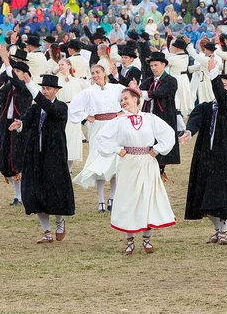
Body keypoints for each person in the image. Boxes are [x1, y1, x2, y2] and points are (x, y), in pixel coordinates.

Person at [97, 88, 176, 255]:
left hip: (147, 162)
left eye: (126, 98)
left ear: (136, 99)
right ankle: (130, 241)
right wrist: (117, 149)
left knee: (146, 198)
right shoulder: (119, 121)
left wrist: (157, 149)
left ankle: (147, 239)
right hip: (128, 163)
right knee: (128, 200)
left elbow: (168, 133)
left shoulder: (149, 118)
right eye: (121, 100)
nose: (123, 102)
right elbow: (101, 137)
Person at [7, 71, 74, 244]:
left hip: (54, 155)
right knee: (35, 192)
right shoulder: (36, 108)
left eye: (48, 89)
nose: (45, 91)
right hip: (35, 155)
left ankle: (59, 222)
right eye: (43, 88)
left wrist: (31, 85)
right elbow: (26, 120)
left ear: (56, 90)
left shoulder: (61, 107)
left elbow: (49, 108)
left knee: (55, 191)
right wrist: (20, 124)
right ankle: (46, 232)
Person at [180, 57, 227, 245]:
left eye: (225, 85)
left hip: (222, 155)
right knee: (204, 194)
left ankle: (224, 232)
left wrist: (214, 73)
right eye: (219, 84)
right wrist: (189, 132)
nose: (220, 88)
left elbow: (221, 96)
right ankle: (217, 230)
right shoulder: (206, 107)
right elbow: (195, 119)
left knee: (221, 194)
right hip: (205, 155)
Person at [69, 64, 124, 212]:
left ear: (104, 73)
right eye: (93, 73)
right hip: (98, 128)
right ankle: (101, 201)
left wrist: (122, 112)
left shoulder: (116, 88)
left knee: (114, 163)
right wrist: (86, 117)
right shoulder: (88, 92)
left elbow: (132, 99)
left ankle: (113, 197)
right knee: (98, 163)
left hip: (115, 127)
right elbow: (73, 108)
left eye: (98, 72)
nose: (95, 75)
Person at [137, 51, 180, 182]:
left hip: (164, 115)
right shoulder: (150, 80)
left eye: (156, 65)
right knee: (149, 140)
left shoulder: (171, 80)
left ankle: (160, 170)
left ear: (163, 65)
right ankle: (150, 168)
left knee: (162, 140)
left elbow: (161, 93)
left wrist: (143, 93)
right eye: (151, 66)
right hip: (149, 114)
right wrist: (136, 88)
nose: (153, 68)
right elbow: (140, 89)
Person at [0, 51, 33, 206]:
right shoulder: (9, 87)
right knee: (5, 160)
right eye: (15, 70)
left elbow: (15, 81)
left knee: (18, 160)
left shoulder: (26, 88)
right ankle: (19, 194)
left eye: (18, 71)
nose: (14, 73)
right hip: (6, 126)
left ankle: (21, 195)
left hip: (21, 127)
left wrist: (6, 60)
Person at [56, 58, 89, 172]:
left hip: (73, 113)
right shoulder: (57, 80)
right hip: (60, 111)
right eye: (59, 65)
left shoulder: (77, 81)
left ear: (69, 66)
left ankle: (69, 168)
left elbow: (88, 91)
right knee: (61, 137)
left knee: (72, 139)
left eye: (62, 64)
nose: (60, 66)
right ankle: (61, 165)